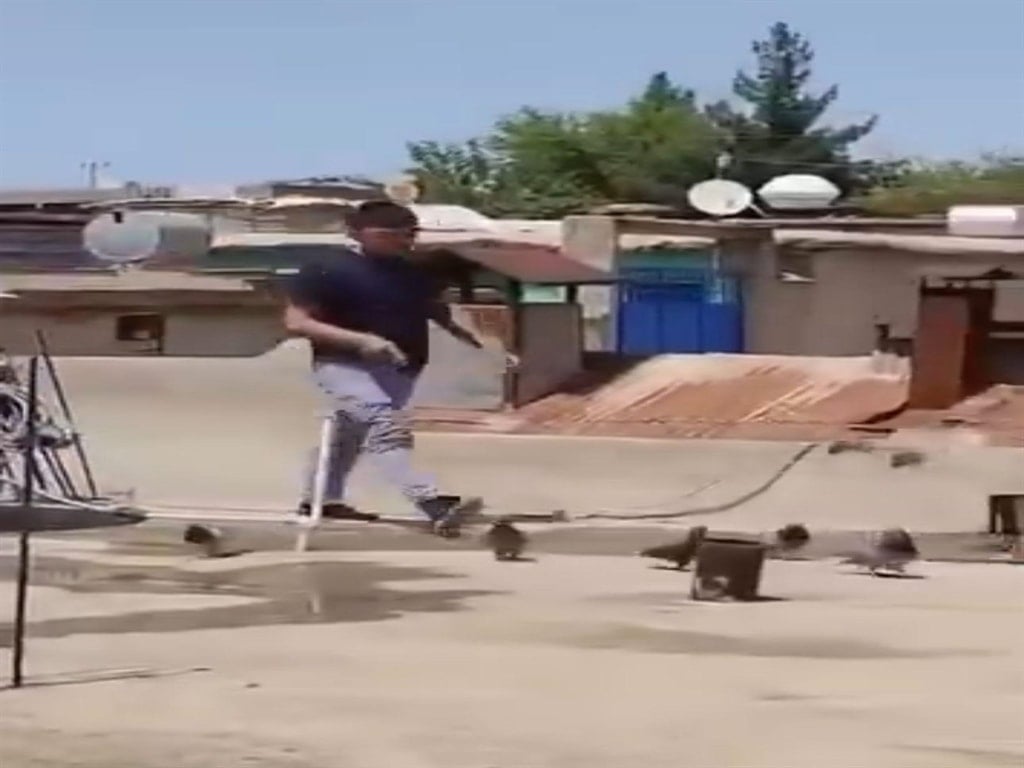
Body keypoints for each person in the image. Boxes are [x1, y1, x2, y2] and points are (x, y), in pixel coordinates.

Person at [283, 200, 515, 537]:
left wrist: (482, 342)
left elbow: (435, 309)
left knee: (348, 436)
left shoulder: (410, 272)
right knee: (385, 425)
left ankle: (321, 499)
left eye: (408, 234)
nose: (403, 241)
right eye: (390, 235)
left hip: (401, 369)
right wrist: (361, 341)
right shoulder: (325, 268)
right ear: (358, 233)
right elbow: (297, 322)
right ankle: (430, 501)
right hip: (343, 364)